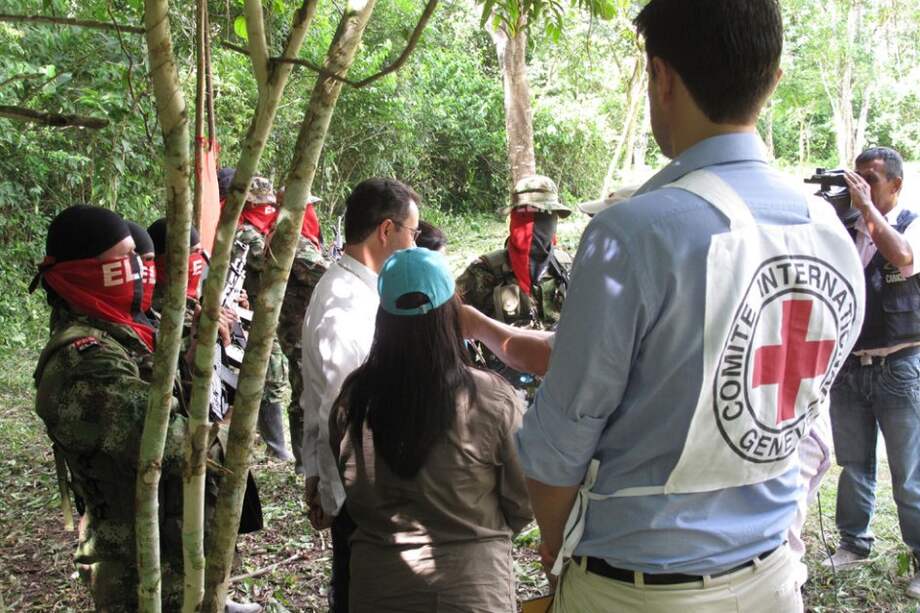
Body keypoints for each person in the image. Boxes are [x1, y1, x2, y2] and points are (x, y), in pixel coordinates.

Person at [515, 2, 866, 611]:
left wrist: (557, 551)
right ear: (774, 78)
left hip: (636, 592)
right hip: (776, 579)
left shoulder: (632, 235)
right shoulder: (832, 235)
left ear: (661, 76)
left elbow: (557, 448)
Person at [31, 206, 260, 613]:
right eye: (123, 259)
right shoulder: (83, 360)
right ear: (84, 270)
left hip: (173, 550)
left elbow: (167, 395)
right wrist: (231, 429)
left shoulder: (123, 334)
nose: (139, 269)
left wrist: (193, 363)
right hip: (140, 572)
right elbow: (168, 444)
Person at [329, 247, 532, 612]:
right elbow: (523, 502)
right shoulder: (493, 400)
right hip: (473, 588)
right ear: (451, 315)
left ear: (383, 319)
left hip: (376, 589)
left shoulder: (352, 401)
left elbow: (350, 488)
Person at [300, 177, 420, 613]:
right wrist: (329, 489)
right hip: (362, 493)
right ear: (387, 231)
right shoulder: (344, 304)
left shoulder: (360, 291)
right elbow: (341, 412)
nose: (415, 244)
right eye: (413, 233)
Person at [823, 147, 920, 596]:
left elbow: (902, 258)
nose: (859, 185)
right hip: (849, 367)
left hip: (898, 366)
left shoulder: (912, 223)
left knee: (908, 471)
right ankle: (853, 543)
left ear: (896, 185)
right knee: (853, 463)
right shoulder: (840, 228)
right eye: (854, 178)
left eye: (871, 178)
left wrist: (866, 211)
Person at [456, 175, 572, 391]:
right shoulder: (484, 272)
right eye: (526, 216)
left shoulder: (568, 269)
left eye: (546, 216)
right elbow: (447, 323)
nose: (536, 226)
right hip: (504, 400)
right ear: (513, 220)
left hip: (560, 397)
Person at [231, 176, 294, 462]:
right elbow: (268, 261)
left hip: (273, 310)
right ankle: (277, 448)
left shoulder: (263, 226)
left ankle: (275, 445)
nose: (266, 209)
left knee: (277, 374)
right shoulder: (244, 232)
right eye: (261, 205)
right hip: (255, 313)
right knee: (270, 375)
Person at [277, 192, 329, 475]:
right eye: (308, 208)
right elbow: (324, 274)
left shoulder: (302, 239)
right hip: (297, 329)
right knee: (303, 392)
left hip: (303, 326)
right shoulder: (293, 242)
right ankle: (303, 461)